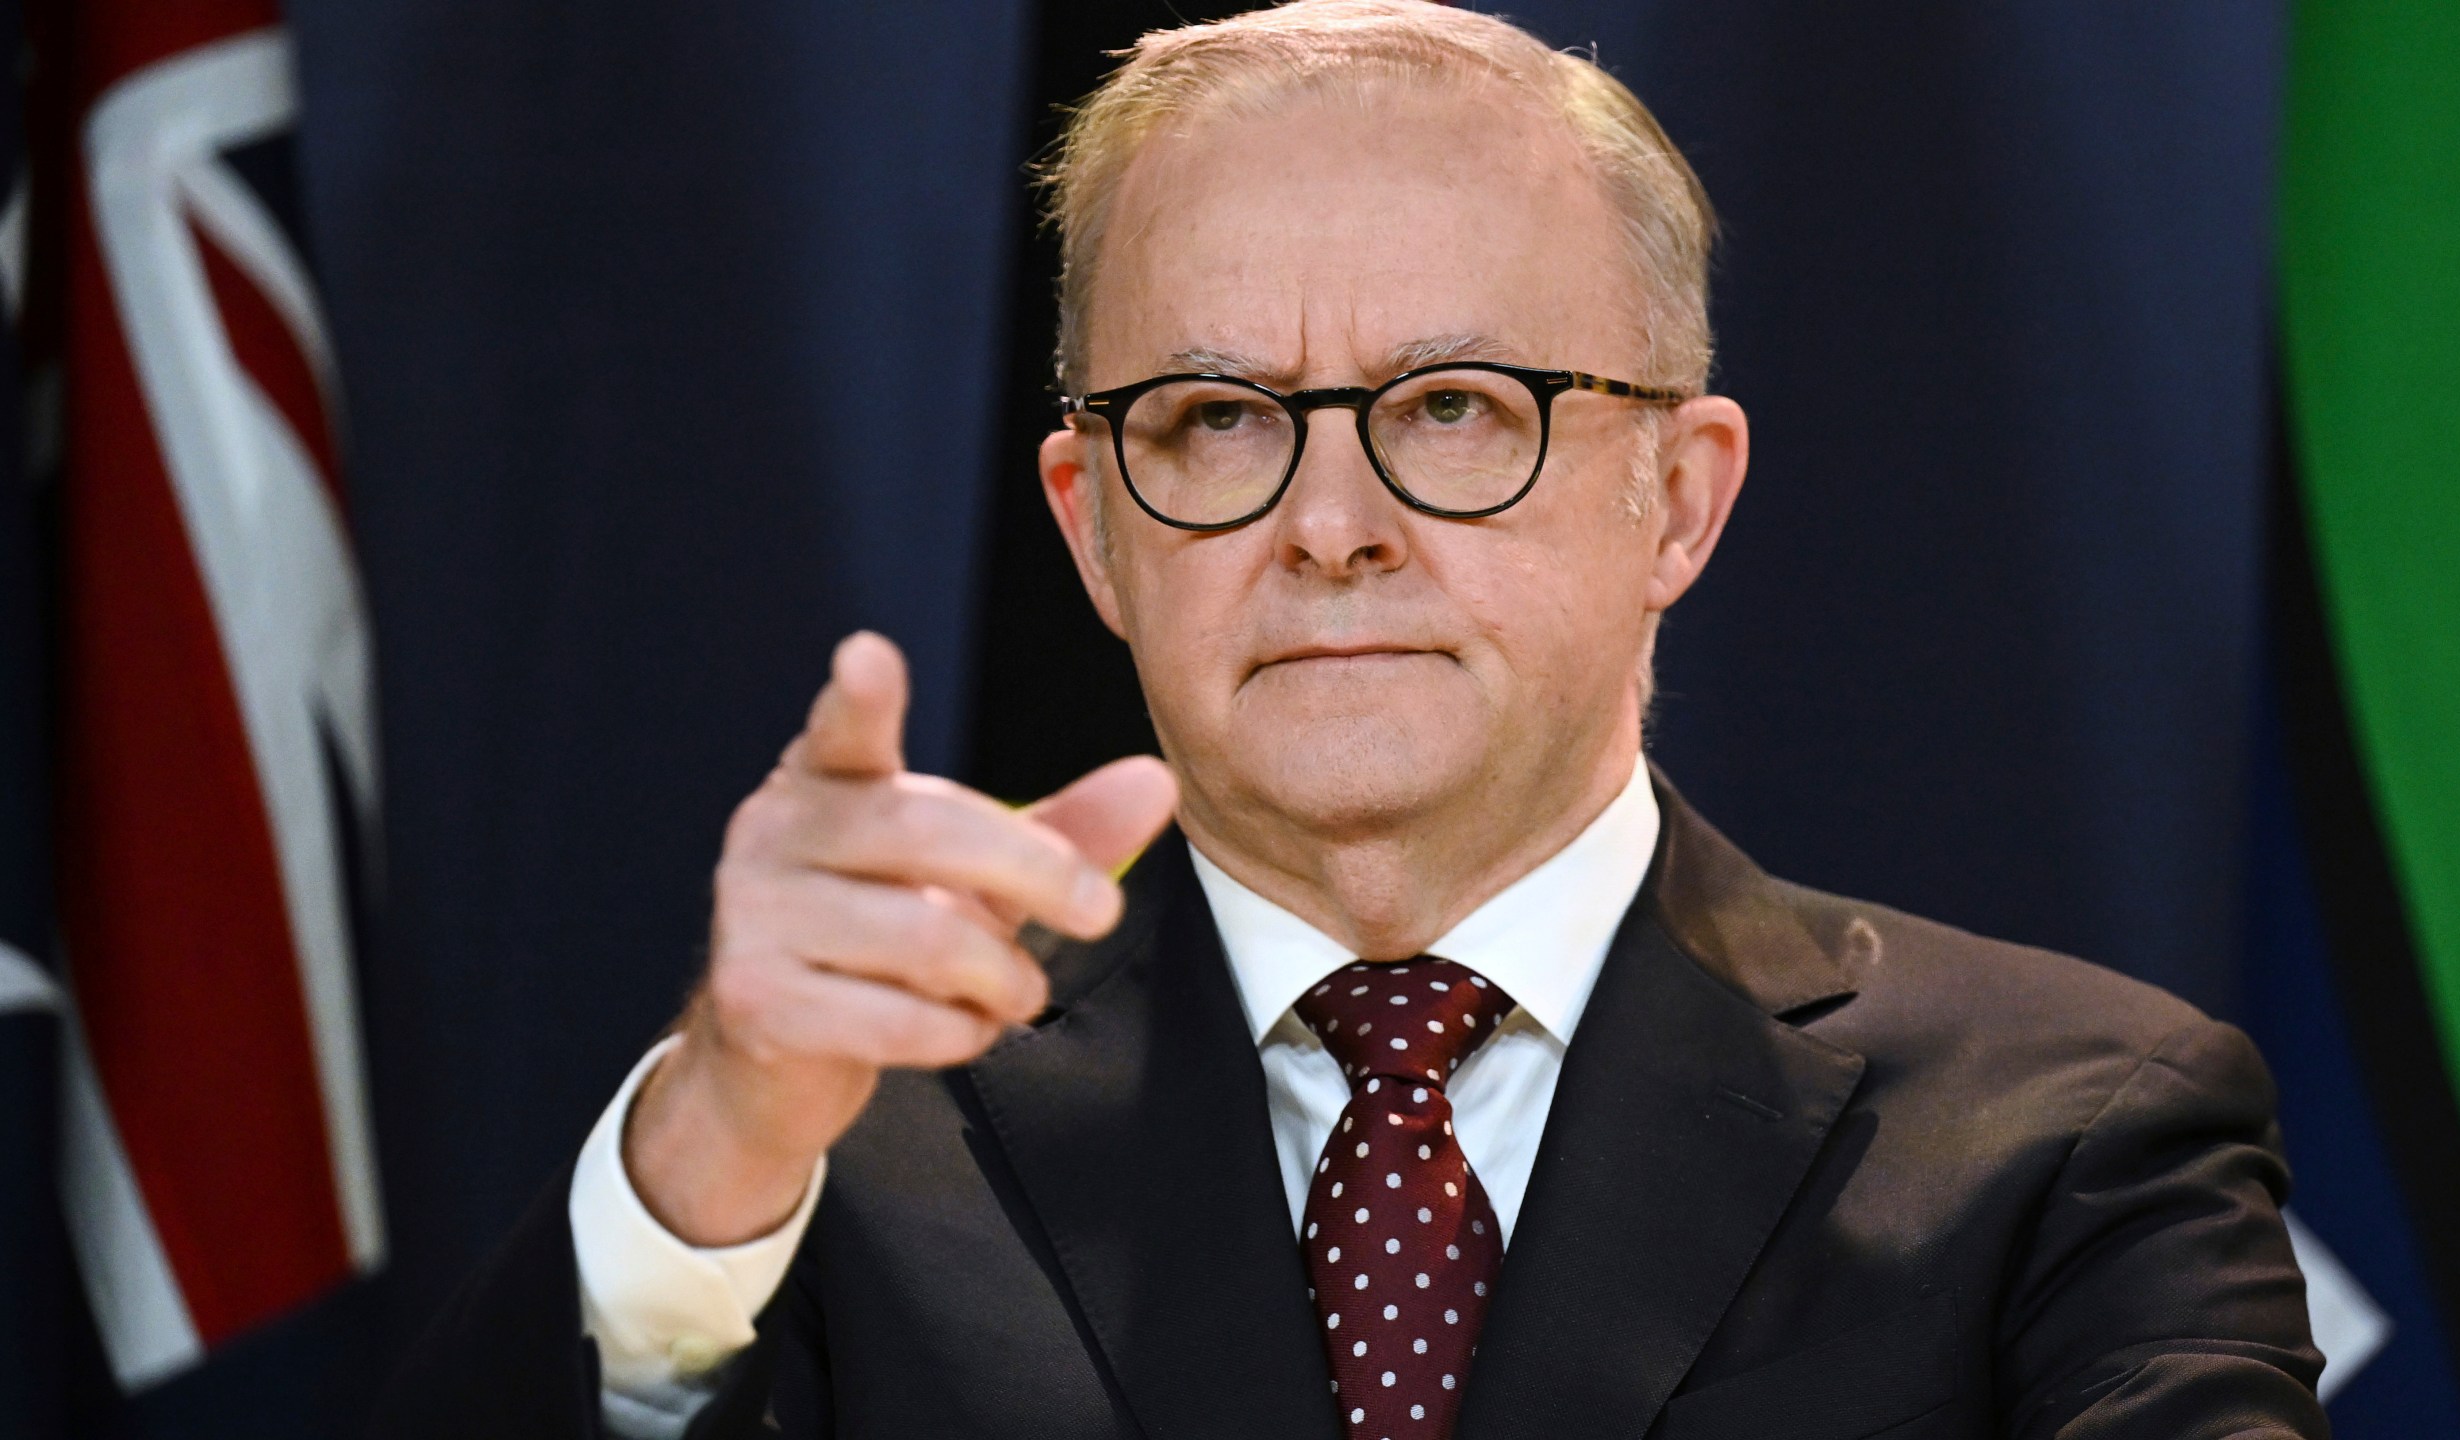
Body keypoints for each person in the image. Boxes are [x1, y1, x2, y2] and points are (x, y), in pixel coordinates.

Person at [376, 4, 2327, 1437]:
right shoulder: (834, 1150)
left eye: (1456, 409)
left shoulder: (2069, 1134)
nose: (1328, 527)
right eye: (1215, 421)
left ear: (1677, 494)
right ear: (1092, 525)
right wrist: (708, 1150)